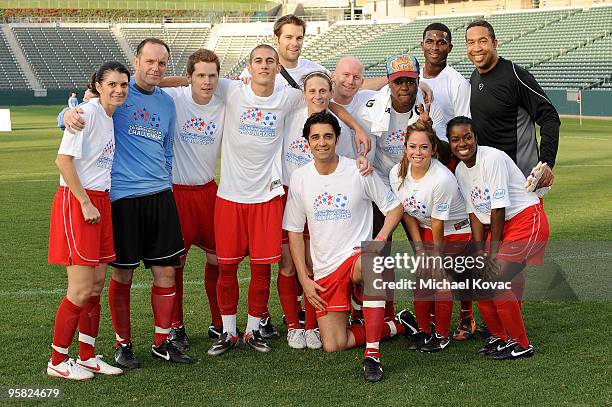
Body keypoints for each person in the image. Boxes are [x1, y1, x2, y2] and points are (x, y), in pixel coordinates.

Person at [62, 38, 192, 367]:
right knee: (123, 276)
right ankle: (124, 344)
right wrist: (67, 113)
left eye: (162, 63)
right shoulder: (117, 92)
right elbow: (83, 112)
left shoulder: (167, 102)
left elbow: (166, 147)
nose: (155, 68)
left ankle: (162, 342)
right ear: (136, 62)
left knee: (166, 272)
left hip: (160, 196)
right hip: (122, 199)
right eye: (149, 61)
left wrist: (165, 181)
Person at [284, 111, 407, 382]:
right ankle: (393, 325)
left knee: (373, 262)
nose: (322, 142)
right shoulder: (301, 178)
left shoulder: (358, 170)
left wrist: (381, 238)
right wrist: (305, 279)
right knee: (334, 344)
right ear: (307, 142)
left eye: (328, 136)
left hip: (356, 258)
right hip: (326, 268)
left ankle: (372, 355)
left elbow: (394, 208)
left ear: (337, 139)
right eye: (315, 137)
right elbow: (293, 231)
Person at [47, 62, 130, 380]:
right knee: (80, 289)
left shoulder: (108, 115)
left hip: (100, 201)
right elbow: (63, 161)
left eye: (123, 84)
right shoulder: (87, 113)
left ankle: (87, 355)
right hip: (78, 200)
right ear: (98, 85)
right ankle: (57, 360)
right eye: (112, 84)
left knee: (95, 285)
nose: (119, 90)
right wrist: (83, 202)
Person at [280, 71, 373, 349]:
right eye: (312, 91)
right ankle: (294, 325)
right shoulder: (292, 112)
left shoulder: (334, 122)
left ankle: (314, 324)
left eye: (323, 91)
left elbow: (336, 107)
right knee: (289, 264)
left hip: (326, 199)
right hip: (295, 193)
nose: (318, 96)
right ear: (303, 93)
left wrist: (356, 127)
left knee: (315, 261)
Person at [448, 116, 550, 360]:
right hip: (501, 225)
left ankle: (522, 343)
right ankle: (500, 337)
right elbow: (474, 213)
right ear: (450, 143)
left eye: (467, 137)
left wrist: (490, 254)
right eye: (455, 139)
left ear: (476, 138)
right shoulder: (461, 170)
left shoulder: (491, 158)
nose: (462, 143)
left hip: (525, 218)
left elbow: (498, 208)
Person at [160, 49, 227, 348]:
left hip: (209, 191)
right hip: (177, 193)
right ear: (189, 78)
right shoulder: (175, 99)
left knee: (219, 259)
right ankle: (176, 326)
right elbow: (148, 81)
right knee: (176, 264)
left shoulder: (226, 101)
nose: (207, 81)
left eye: (212, 75)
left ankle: (218, 322)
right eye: (200, 75)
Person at [389, 121, 471, 352]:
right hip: (425, 228)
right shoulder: (396, 173)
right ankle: (425, 331)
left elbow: (438, 222)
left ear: (433, 149)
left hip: (455, 231)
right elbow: (406, 212)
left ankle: (441, 335)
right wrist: (418, 247)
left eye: (424, 147)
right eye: (413, 146)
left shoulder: (441, 179)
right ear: (405, 147)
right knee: (421, 281)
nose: (418, 152)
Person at [419, 22, 475, 338]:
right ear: (422, 44)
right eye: (431, 40)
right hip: (415, 170)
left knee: (459, 250)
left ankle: (465, 316)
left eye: (443, 41)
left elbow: (464, 131)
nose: (436, 45)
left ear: (450, 48)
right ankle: (426, 318)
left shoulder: (456, 83)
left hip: (448, 167)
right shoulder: (411, 77)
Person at [466, 20, 560, 184]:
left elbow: (549, 117)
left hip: (519, 181)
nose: (476, 48)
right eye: (471, 42)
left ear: (495, 43)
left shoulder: (516, 76)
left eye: (483, 41)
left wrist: (546, 162)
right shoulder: (474, 77)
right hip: (488, 179)